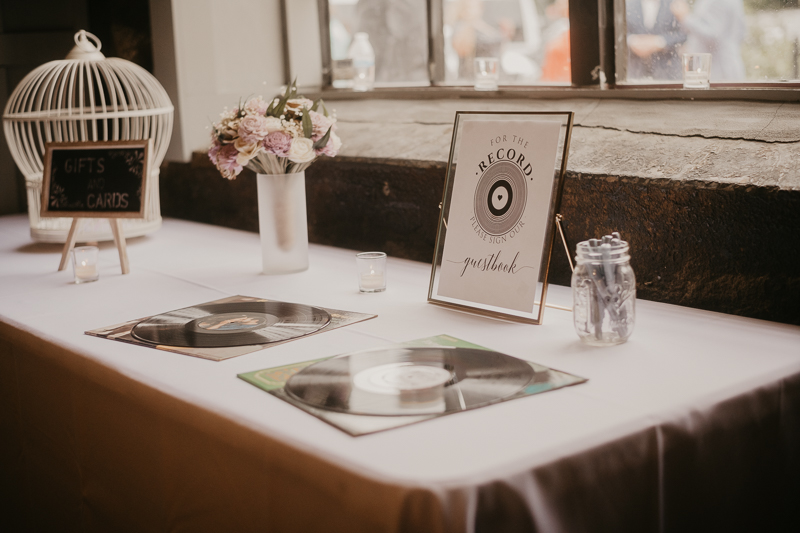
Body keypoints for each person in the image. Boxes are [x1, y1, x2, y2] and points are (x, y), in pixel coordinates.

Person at [671, 0, 746, 81]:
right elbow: (741, 31)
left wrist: (685, 18)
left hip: (718, 70)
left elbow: (714, 36)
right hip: (723, 66)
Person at [626, 0, 687, 80]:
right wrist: (632, 41)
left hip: (668, 73)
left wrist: (659, 42)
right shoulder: (628, 4)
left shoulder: (674, 4)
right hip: (635, 72)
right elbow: (618, 31)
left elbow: (684, 34)